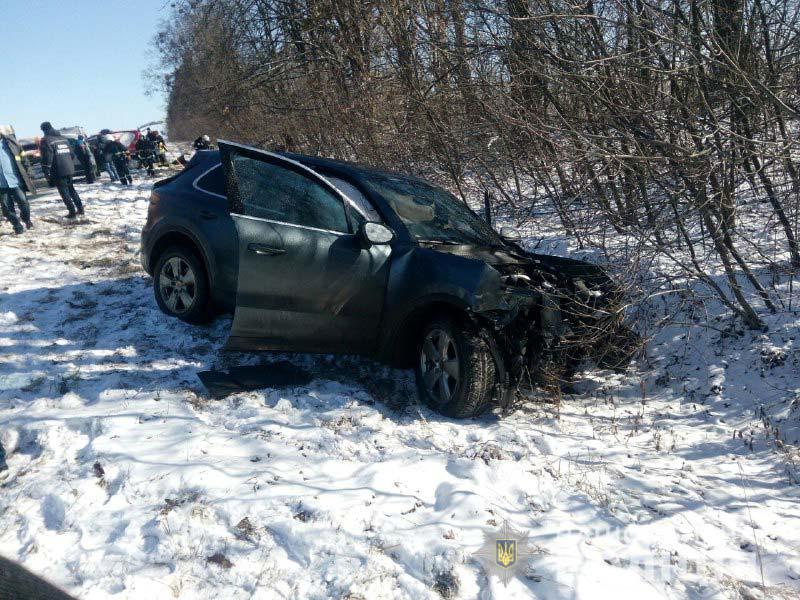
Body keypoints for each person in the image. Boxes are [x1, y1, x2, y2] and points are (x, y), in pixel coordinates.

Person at [40, 122, 84, 218]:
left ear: (43, 130)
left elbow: (48, 157)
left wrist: (46, 170)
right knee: (71, 190)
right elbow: (72, 154)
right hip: (69, 168)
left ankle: (72, 212)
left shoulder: (46, 140)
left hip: (58, 170)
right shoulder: (63, 139)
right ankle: (80, 209)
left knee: (64, 192)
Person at [0, 131, 34, 234]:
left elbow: (23, 158)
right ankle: (17, 226)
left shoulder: (10, 142)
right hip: (1, 184)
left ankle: (26, 219)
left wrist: (29, 172)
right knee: (6, 208)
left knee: (23, 202)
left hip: (15, 179)